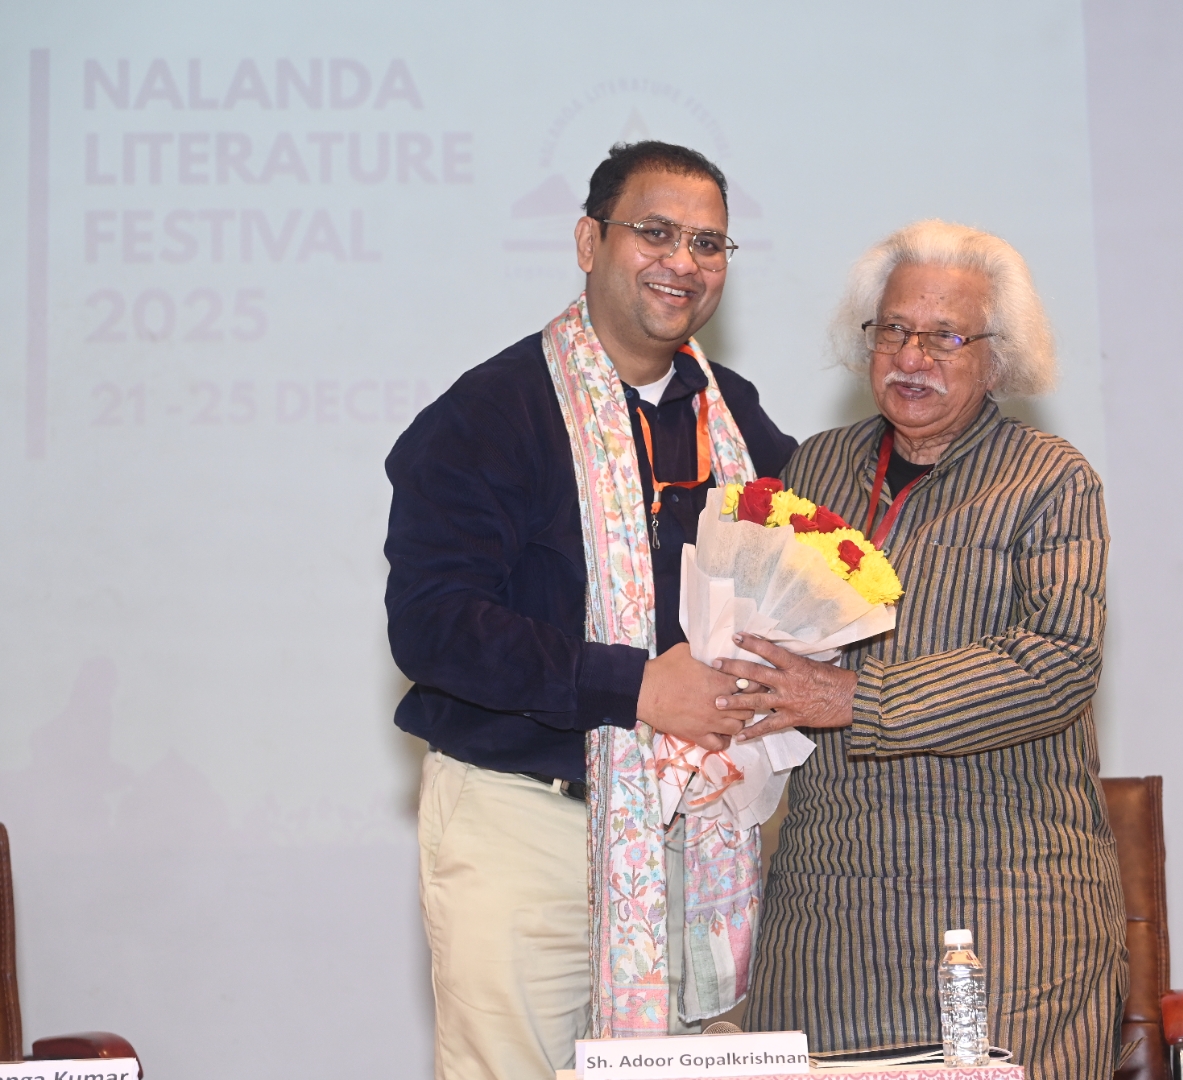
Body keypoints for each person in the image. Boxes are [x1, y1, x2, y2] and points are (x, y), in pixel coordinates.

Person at [384, 141, 798, 1080]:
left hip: (698, 833)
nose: (682, 262)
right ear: (587, 240)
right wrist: (635, 687)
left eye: (710, 243)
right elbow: (433, 624)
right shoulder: (491, 412)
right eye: (654, 232)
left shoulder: (737, 421)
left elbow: (810, 574)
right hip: (526, 827)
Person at [720, 220, 1127, 1079]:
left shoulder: (1050, 478)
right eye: (894, 330)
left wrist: (855, 700)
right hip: (826, 917)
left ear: (999, 357)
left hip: (1002, 911)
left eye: (947, 336)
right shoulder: (815, 472)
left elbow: (1057, 661)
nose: (914, 355)